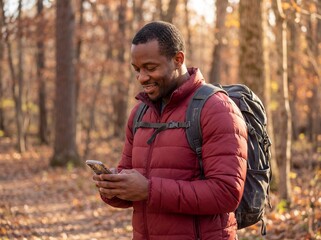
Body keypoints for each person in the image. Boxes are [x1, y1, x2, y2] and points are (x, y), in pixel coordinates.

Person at [93, 21, 248, 240]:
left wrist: (149, 190)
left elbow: (227, 193)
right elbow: (132, 190)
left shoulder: (216, 109)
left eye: (150, 68)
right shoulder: (140, 113)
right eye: (137, 70)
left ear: (178, 59)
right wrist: (113, 187)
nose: (142, 78)